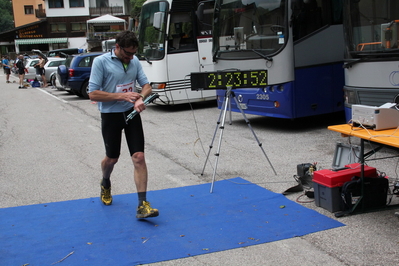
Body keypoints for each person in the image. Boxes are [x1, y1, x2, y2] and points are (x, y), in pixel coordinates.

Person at [88, 30, 159, 219]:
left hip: (131, 113)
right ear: (117, 47)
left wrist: (140, 99)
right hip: (111, 115)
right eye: (127, 53)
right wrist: (122, 96)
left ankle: (142, 205)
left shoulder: (134, 61)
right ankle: (105, 181)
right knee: (112, 159)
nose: (131, 57)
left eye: (133, 53)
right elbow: (93, 94)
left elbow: (146, 85)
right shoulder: (101, 62)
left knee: (139, 157)